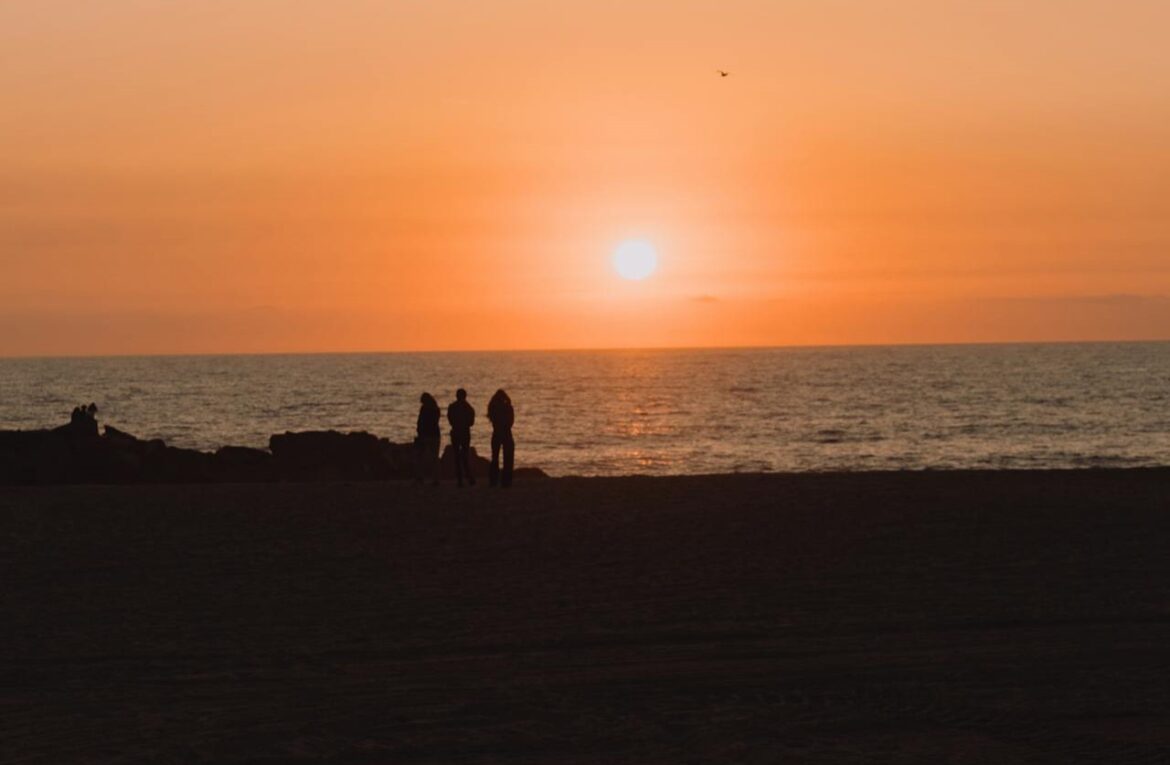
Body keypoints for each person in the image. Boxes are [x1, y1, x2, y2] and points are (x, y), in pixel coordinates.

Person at [446, 388, 476, 487]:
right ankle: (469, 477)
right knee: (465, 455)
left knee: (457, 456)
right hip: (465, 433)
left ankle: (460, 480)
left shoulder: (452, 407)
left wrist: (456, 424)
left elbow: (450, 419)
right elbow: (471, 422)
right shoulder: (469, 408)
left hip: (455, 432)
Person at [487, 389, 515, 488]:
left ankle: (493, 481)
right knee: (508, 458)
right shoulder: (508, 407)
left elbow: (492, 419)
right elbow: (511, 422)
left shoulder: (493, 408)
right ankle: (506, 481)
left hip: (496, 433)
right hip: (507, 433)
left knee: (494, 458)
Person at [414, 392, 441, 485]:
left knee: (420, 457)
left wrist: (419, 431)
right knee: (434, 458)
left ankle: (420, 477)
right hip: (435, 434)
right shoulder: (436, 409)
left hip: (424, 435)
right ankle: (436, 478)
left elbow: (420, 422)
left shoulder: (424, 409)